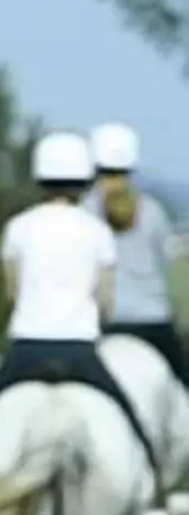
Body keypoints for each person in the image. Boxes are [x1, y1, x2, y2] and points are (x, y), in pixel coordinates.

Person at [0, 130, 161, 485]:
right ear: (83, 179)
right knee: (131, 424)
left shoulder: (18, 227)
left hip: (25, 349)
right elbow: (104, 300)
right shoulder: (96, 231)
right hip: (80, 350)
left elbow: (11, 293)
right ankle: (153, 475)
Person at [84, 121, 186, 384]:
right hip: (153, 323)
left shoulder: (84, 211)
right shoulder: (153, 210)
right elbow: (168, 263)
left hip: (101, 324)